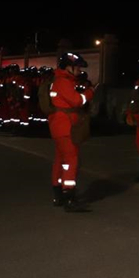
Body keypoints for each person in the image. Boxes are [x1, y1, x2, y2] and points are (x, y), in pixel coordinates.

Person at [47, 52, 95, 212]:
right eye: (77, 67)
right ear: (69, 67)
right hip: (66, 127)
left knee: (60, 160)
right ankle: (69, 196)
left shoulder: (59, 81)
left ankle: (58, 194)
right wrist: (89, 93)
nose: (79, 70)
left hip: (59, 126)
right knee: (71, 161)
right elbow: (77, 100)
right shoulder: (64, 82)